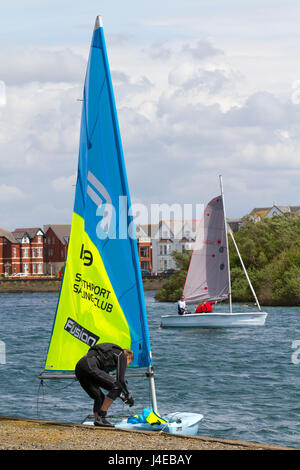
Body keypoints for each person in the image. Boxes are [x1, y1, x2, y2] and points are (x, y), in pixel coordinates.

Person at [75, 342, 134, 427]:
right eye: (129, 363)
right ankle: (102, 416)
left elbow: (109, 385)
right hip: (89, 365)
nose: (127, 366)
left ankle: (97, 421)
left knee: (99, 396)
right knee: (117, 386)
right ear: (128, 357)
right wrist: (128, 395)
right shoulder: (121, 355)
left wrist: (121, 396)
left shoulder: (108, 357)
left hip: (80, 368)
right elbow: (120, 381)